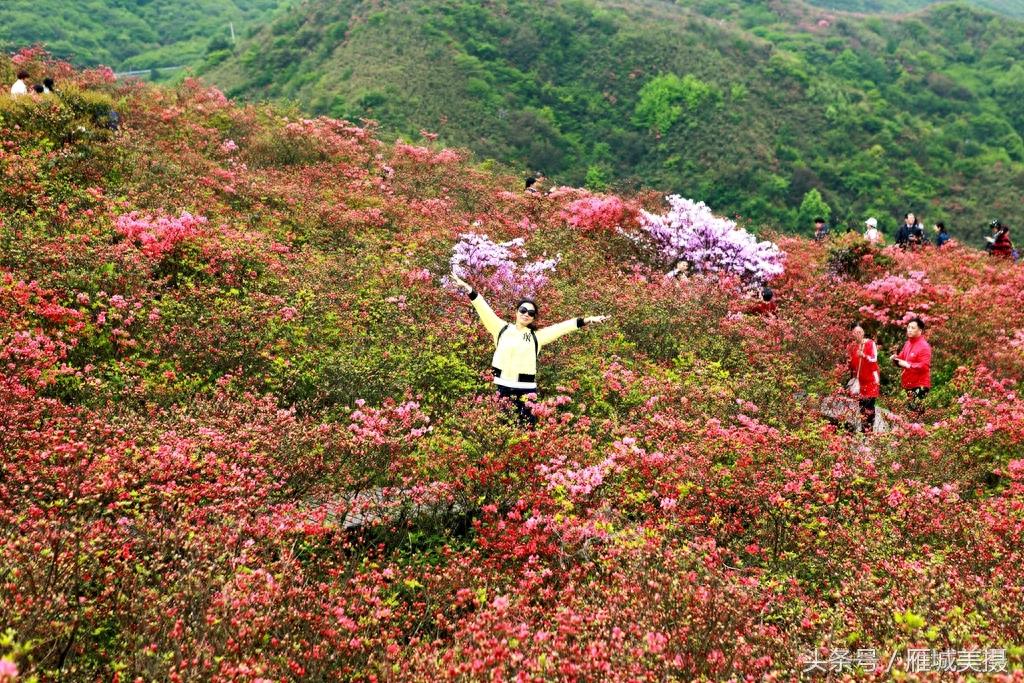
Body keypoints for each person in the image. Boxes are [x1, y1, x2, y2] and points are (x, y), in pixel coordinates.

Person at [450, 273, 609, 427]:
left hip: (527, 391)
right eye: (523, 310)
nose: (526, 314)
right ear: (517, 312)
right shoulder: (500, 328)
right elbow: (484, 309)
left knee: (527, 431)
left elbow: (561, 328)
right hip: (501, 387)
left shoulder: (537, 337)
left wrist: (588, 320)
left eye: (531, 313)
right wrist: (468, 289)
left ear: (533, 318)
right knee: (501, 430)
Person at [890, 317, 931, 413]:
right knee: (908, 416)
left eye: (913, 328)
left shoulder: (924, 346)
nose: (909, 330)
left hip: (920, 385)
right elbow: (901, 361)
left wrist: (908, 365)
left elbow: (925, 366)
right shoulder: (907, 343)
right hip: (908, 384)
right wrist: (895, 358)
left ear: (920, 330)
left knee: (915, 416)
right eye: (908, 327)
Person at [847, 323, 880, 433]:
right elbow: (852, 365)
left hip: (871, 380)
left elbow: (874, 359)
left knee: (869, 406)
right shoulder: (852, 347)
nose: (858, 334)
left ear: (863, 333)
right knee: (861, 406)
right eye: (855, 332)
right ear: (852, 334)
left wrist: (864, 356)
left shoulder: (870, 344)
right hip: (859, 382)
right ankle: (863, 429)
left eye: (860, 332)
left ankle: (869, 431)